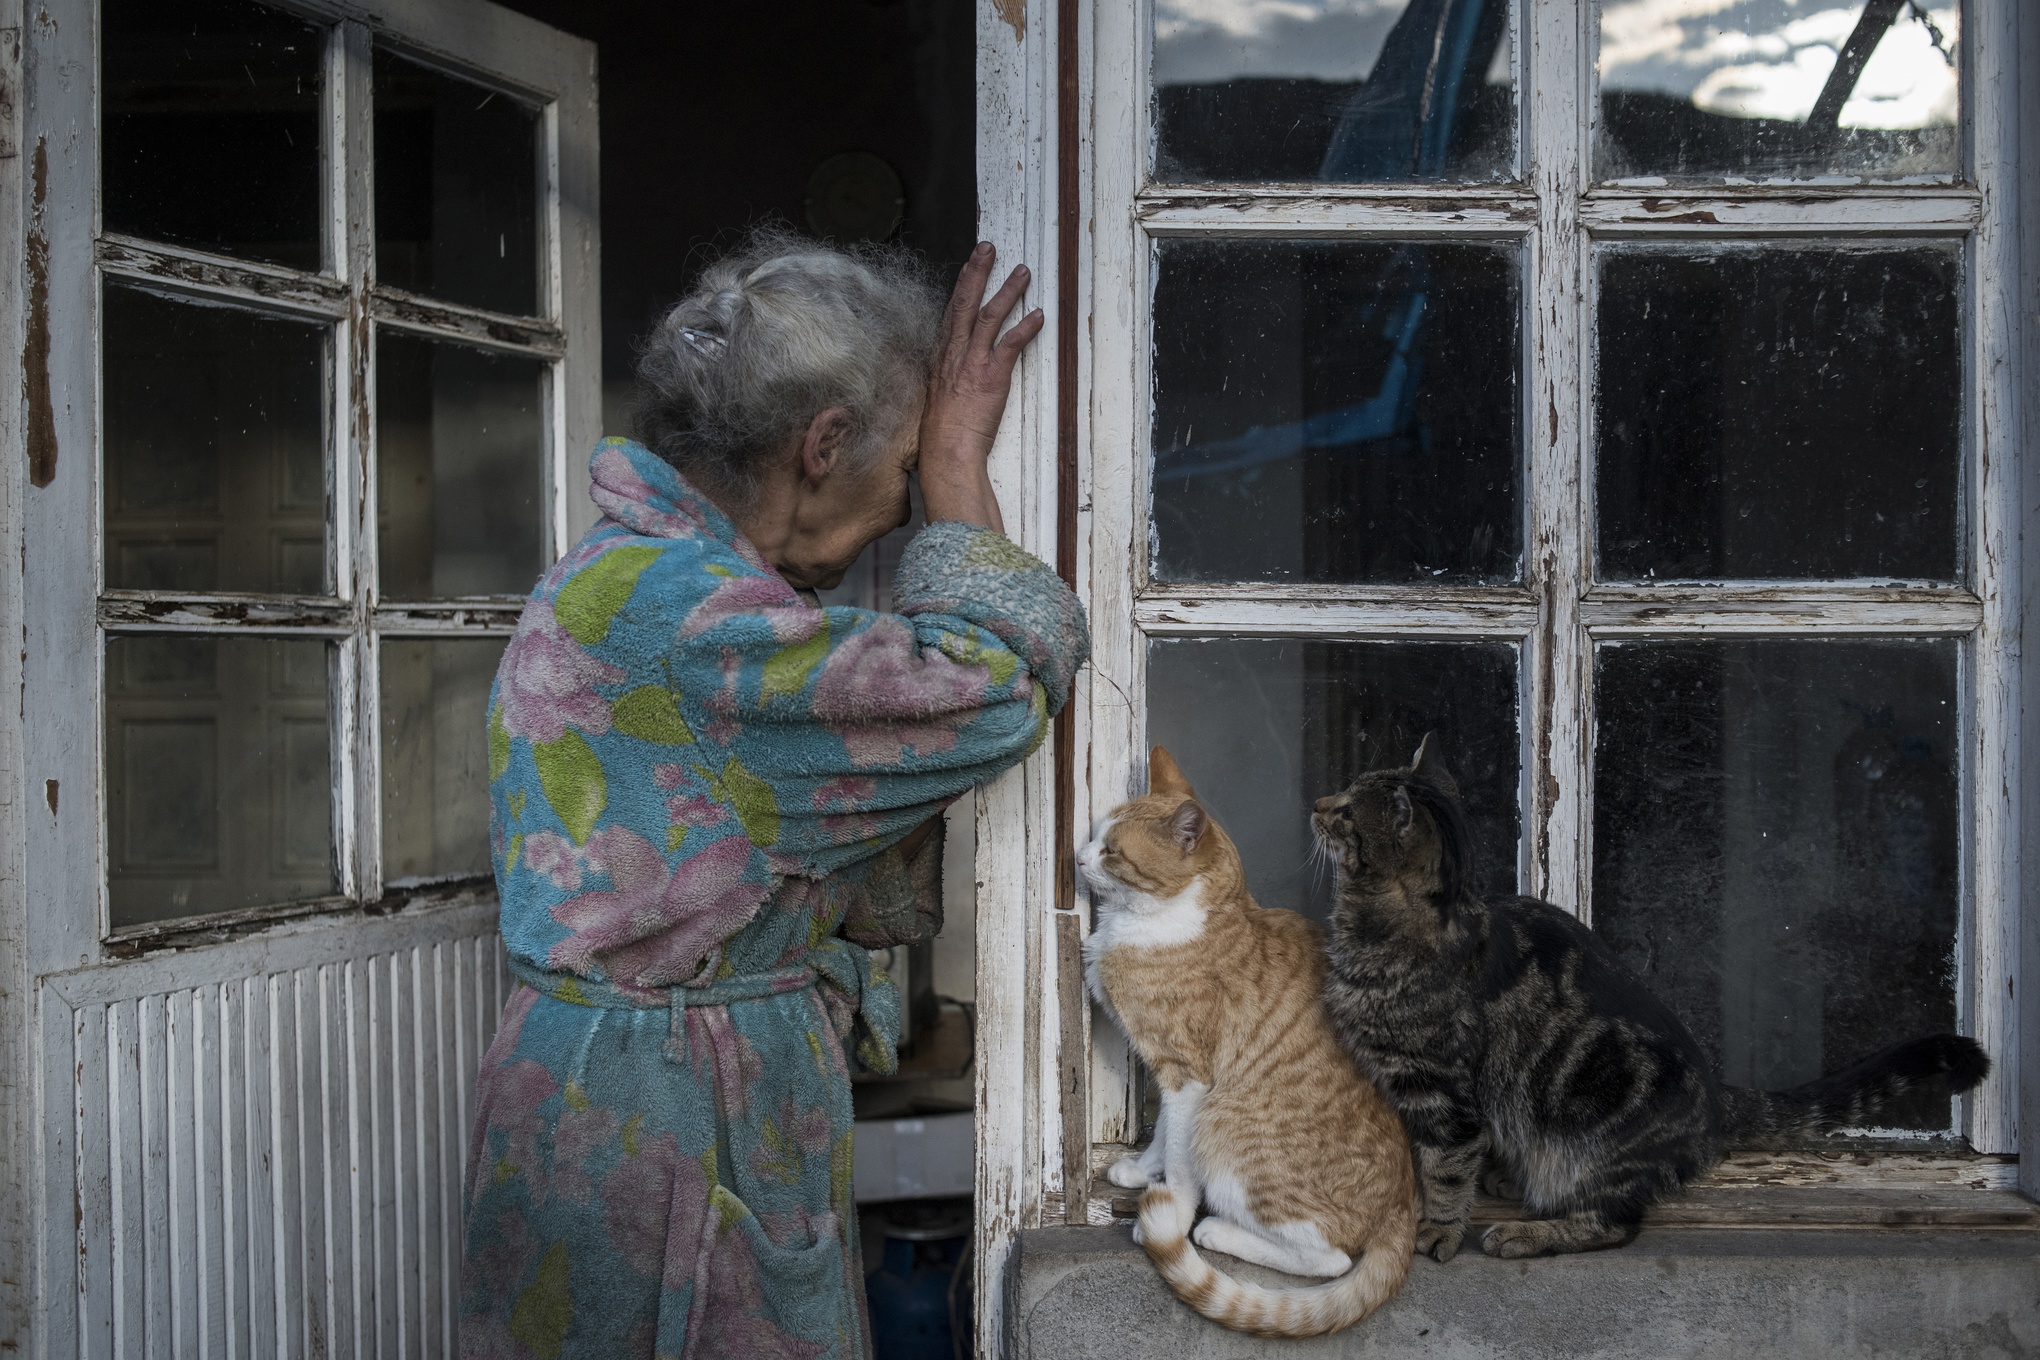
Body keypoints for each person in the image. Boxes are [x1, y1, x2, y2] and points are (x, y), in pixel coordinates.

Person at [459, 230, 1088, 1360]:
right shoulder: (706, 629)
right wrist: (959, 468)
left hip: (595, 1097)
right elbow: (997, 683)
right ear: (824, 442)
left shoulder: (615, 577)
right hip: (666, 1122)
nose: (893, 524)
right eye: (898, 478)